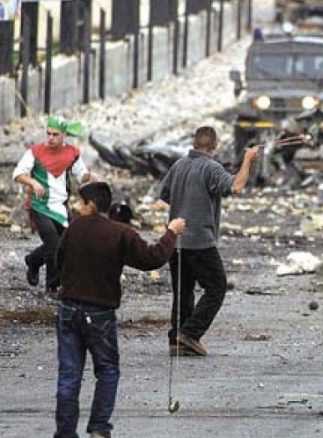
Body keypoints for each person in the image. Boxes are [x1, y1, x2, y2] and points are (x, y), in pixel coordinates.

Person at [55, 181, 185, 438]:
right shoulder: (120, 233)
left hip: (68, 310)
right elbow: (153, 258)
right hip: (100, 313)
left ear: (91, 204)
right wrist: (171, 232)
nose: (78, 207)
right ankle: (99, 429)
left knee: (69, 376)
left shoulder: (74, 228)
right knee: (107, 371)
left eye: (81, 202)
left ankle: (65, 433)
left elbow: (59, 261)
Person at [159, 126, 259, 356]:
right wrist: (248, 160)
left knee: (183, 292)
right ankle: (190, 334)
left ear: (194, 143)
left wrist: (185, 203)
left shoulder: (178, 165)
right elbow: (236, 186)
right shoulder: (211, 167)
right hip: (200, 241)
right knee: (217, 287)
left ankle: (177, 339)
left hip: (176, 240)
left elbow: (165, 195)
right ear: (214, 146)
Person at [12, 116, 94, 295]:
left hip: (61, 206)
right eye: (48, 133)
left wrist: (89, 177)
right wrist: (33, 182)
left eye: (55, 134)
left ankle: (33, 260)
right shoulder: (35, 152)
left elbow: (81, 175)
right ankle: (53, 286)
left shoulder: (72, 153)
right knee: (54, 244)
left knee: (69, 243)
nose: (50, 138)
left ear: (64, 135)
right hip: (40, 206)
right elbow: (18, 174)